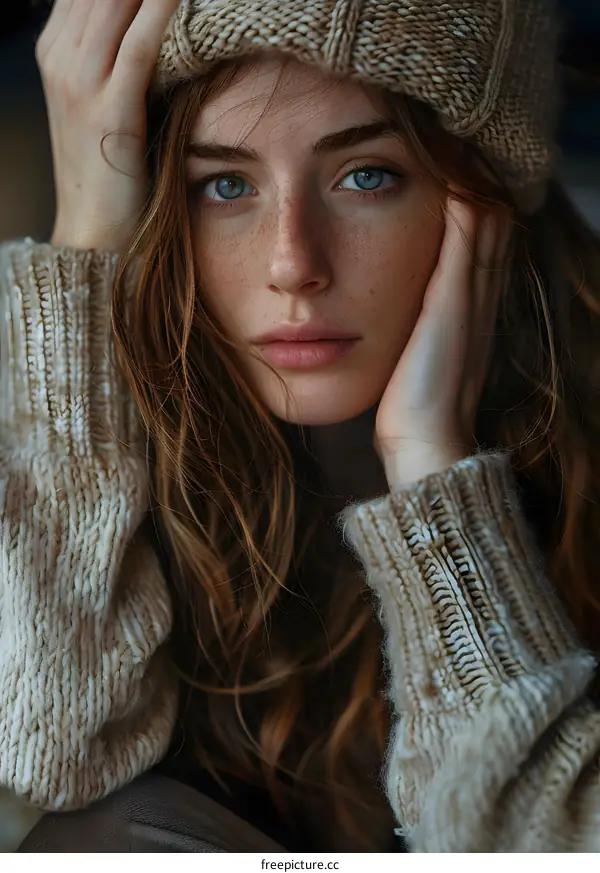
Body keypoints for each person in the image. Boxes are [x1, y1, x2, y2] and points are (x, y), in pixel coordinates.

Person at [2, 0, 600, 854]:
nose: (293, 263)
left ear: (486, 201)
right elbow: (51, 754)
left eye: (366, 175)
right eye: (226, 184)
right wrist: (89, 244)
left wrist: (435, 473)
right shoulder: (109, 438)